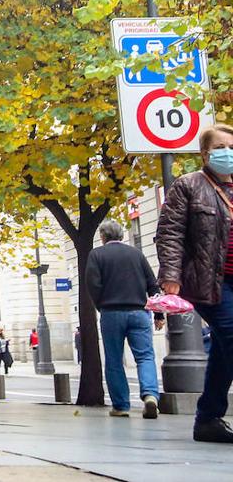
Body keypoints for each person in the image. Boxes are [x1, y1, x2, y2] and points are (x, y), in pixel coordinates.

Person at [156, 123, 233, 443]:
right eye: (221, 148)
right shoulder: (188, 185)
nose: (228, 154)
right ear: (205, 153)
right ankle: (209, 416)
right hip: (209, 282)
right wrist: (171, 277)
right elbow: (169, 234)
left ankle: (208, 418)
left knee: (224, 350)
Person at [85, 218, 162, 419]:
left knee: (114, 360)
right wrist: (159, 314)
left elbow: (93, 284)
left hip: (111, 312)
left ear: (102, 236)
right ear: (120, 235)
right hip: (139, 311)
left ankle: (121, 405)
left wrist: (101, 305)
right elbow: (153, 285)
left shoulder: (97, 255)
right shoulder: (136, 254)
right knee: (145, 356)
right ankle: (150, 396)